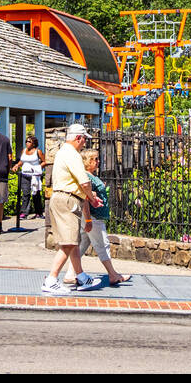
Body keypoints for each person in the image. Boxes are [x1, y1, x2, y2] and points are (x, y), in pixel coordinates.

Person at [43, 123, 103, 293]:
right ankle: (51, 279)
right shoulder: (73, 154)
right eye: (84, 139)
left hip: (63, 198)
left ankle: (82, 277)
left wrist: (89, 197)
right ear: (78, 138)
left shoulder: (63, 152)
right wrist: (92, 198)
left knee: (73, 241)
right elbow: (84, 182)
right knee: (68, 243)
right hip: (68, 200)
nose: (85, 143)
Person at [75, 147, 130, 285]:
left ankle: (71, 273)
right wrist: (88, 219)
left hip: (93, 216)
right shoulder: (86, 177)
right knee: (102, 244)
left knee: (82, 245)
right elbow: (85, 199)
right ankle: (112, 274)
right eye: (95, 159)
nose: (99, 161)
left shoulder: (91, 176)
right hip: (93, 216)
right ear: (88, 161)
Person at [13, 135, 45, 219]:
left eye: (29, 142)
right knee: (25, 194)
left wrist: (38, 168)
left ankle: (39, 212)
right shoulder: (24, 150)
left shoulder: (38, 151)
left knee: (36, 194)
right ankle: (24, 212)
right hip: (25, 175)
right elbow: (21, 161)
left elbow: (44, 161)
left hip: (35, 176)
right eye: (26, 141)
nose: (27, 143)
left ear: (33, 144)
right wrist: (17, 165)